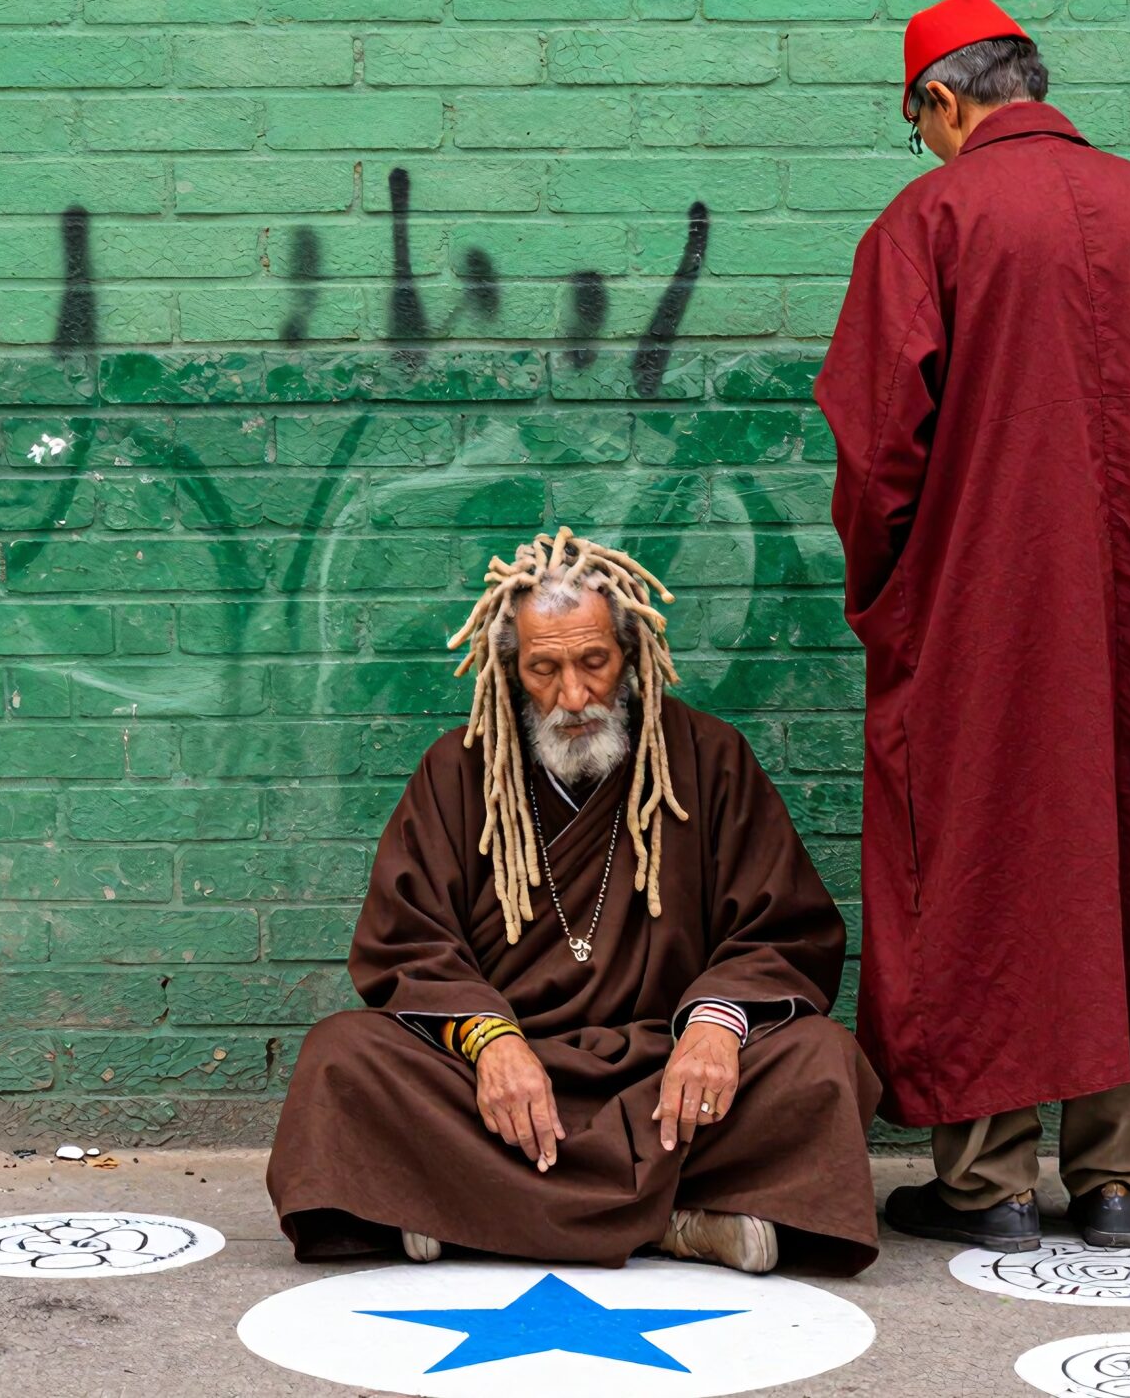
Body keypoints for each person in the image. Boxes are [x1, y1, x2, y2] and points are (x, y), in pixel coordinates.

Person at [815, 0, 1130, 1253]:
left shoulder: (931, 218)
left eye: (918, 123)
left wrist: (897, 599)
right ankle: (1113, 1178)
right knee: (1129, 845)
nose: (924, 143)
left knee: (981, 859)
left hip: (981, 606)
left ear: (942, 99)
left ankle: (985, 1181)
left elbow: (880, 451)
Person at [266, 528, 882, 1275]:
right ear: (508, 670)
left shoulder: (707, 757)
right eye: (544, 669)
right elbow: (408, 939)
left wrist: (719, 1026)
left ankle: (462, 1211)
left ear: (632, 654)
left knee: (822, 1061)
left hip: (666, 1076)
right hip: (499, 1081)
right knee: (342, 1056)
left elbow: (782, 926)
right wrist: (488, 1041)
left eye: (594, 661)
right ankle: (680, 1222)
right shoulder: (458, 773)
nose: (575, 695)